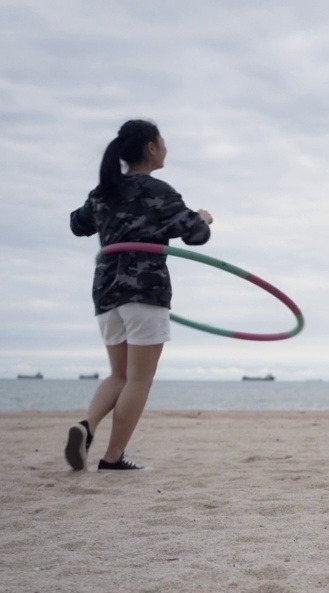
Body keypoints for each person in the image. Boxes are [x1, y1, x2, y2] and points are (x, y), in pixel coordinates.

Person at [65, 119, 213, 472]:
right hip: (145, 291)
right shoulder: (158, 192)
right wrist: (203, 218)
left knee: (119, 374)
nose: (165, 148)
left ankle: (86, 426)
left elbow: (77, 223)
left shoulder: (104, 191)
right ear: (151, 147)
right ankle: (113, 458)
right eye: (162, 141)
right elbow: (195, 236)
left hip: (105, 292)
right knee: (139, 379)